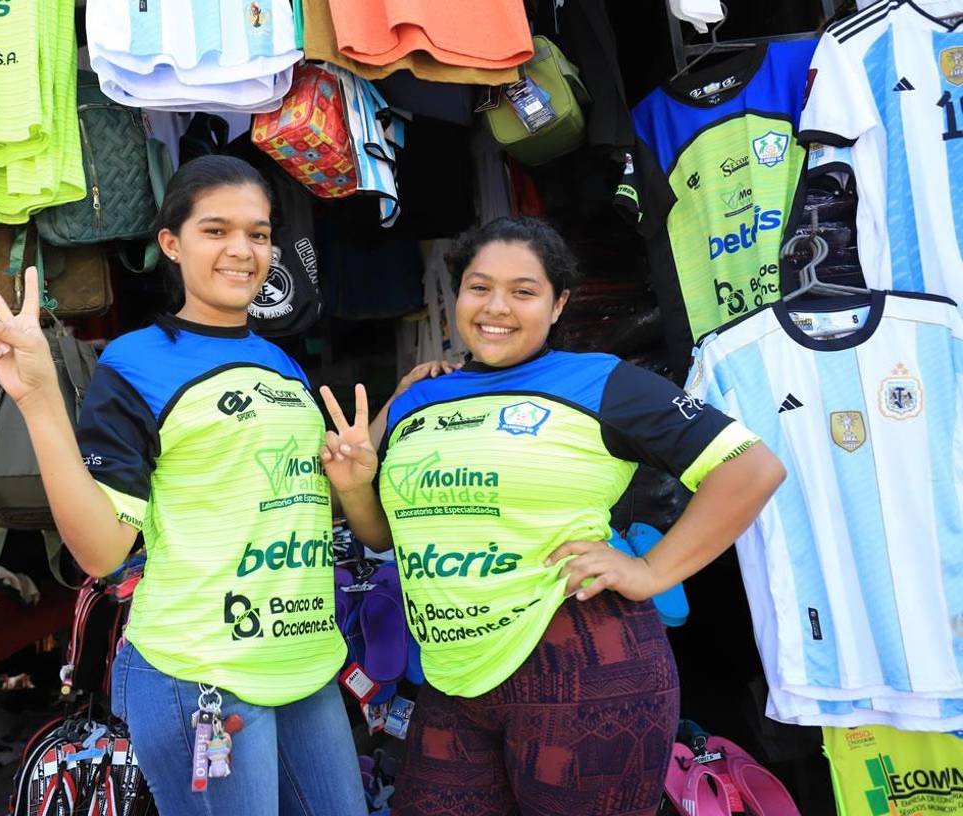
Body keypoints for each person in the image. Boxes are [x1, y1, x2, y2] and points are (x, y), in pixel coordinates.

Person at [319, 216, 786, 816]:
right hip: (451, 678)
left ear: (559, 303)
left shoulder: (600, 381)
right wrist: (357, 489)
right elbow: (386, 533)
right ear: (458, 292)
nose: (497, 307)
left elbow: (751, 469)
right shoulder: (416, 396)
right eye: (479, 286)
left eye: (524, 291)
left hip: (585, 669)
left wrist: (651, 571)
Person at [0, 155, 367, 816]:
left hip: (304, 660)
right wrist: (41, 400)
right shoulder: (138, 361)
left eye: (260, 233)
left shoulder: (281, 361)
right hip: (202, 673)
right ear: (171, 244)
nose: (243, 250)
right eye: (216, 230)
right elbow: (101, 555)